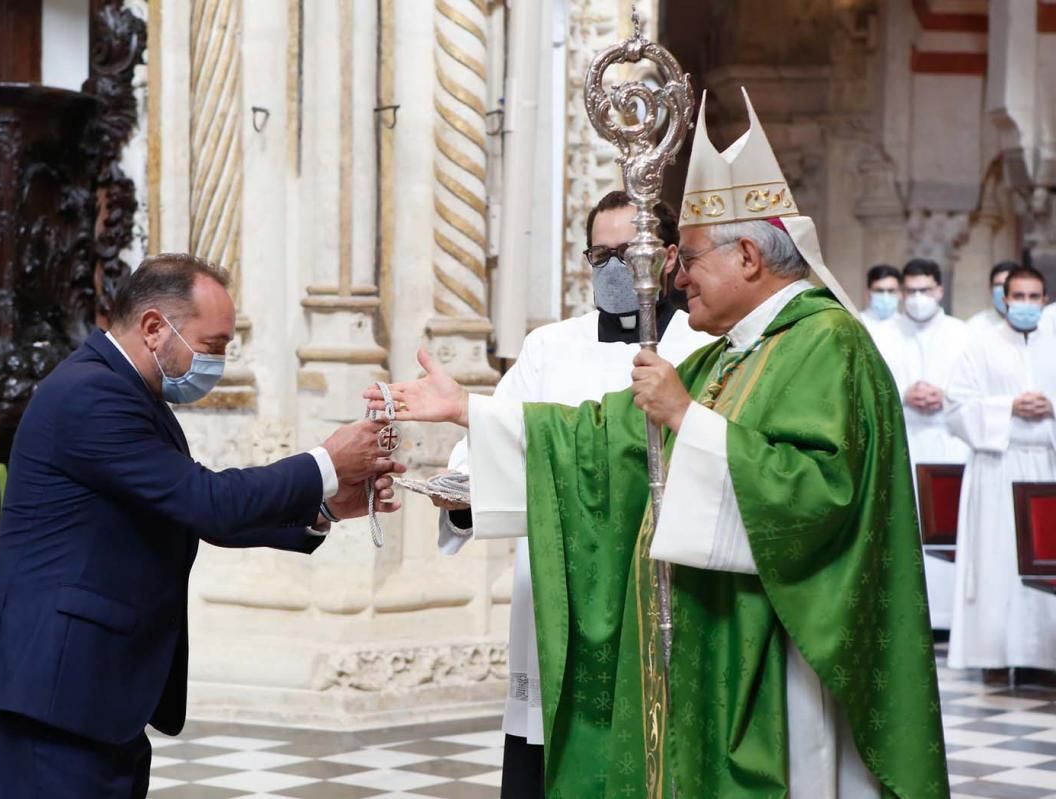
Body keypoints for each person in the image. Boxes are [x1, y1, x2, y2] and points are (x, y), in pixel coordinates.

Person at [372, 90, 948, 797]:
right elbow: (604, 438)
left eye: (691, 258)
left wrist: (688, 419)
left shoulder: (826, 343)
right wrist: (468, 409)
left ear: (747, 257)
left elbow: (820, 496)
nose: (675, 276)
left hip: (781, 655)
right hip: (719, 641)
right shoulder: (736, 349)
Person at [0, 254, 404, 798]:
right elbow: (207, 501)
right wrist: (327, 463)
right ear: (153, 328)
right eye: (212, 346)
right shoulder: (90, 394)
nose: (215, 363)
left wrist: (329, 507)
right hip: (51, 691)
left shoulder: (131, 395)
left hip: (95, 692)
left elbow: (191, 514)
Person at [433, 191, 714, 798]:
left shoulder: (705, 345)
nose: (612, 269)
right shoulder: (550, 346)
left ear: (668, 258)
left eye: (626, 254)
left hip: (657, 574)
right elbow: (492, 441)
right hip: (558, 580)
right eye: (600, 255)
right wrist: (460, 495)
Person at [946, 264, 1056, 682]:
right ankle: (993, 656)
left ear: (1044, 301)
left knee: (1045, 565)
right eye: (1019, 297)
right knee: (996, 560)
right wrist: (1007, 407)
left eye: (1035, 297)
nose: (1027, 305)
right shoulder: (980, 347)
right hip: (997, 466)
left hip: (1046, 466)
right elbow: (956, 409)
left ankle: (1045, 656)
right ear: (1004, 299)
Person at [877, 257, 969, 630]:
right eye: (910, 291)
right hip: (906, 444)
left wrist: (944, 395)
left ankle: (950, 619)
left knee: (949, 531)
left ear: (939, 291)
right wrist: (903, 393)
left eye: (924, 290)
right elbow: (873, 387)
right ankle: (909, 616)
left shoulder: (963, 333)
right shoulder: (882, 333)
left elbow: (974, 389)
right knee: (906, 529)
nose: (917, 298)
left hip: (949, 443)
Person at [965, 260, 1018, 335]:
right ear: (990, 289)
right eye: (999, 285)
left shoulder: (1039, 323)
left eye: (1009, 284)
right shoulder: (975, 327)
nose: (1004, 290)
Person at [859, 263, 901, 343]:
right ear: (868, 293)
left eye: (891, 291)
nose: (886, 297)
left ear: (900, 293)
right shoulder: (856, 324)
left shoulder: (907, 327)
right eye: (879, 291)